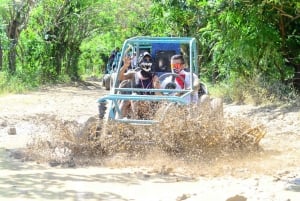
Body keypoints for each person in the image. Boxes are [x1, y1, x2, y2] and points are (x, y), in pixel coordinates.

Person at [118, 52, 160, 118]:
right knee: (127, 100)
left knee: (134, 97)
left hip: (149, 105)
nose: (147, 62)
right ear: (140, 61)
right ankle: (117, 123)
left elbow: (158, 95)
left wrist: (156, 87)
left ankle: (137, 121)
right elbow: (120, 77)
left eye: (149, 60)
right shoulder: (134, 74)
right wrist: (125, 66)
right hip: (135, 103)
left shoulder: (154, 77)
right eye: (145, 60)